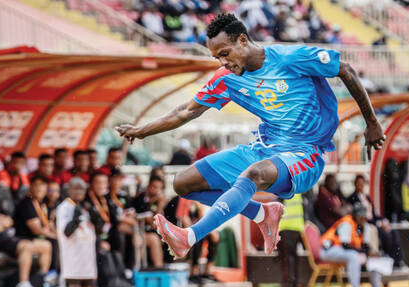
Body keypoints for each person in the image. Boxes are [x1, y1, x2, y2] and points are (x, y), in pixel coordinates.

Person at [115, 13, 385, 260]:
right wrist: (141, 131)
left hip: (305, 153)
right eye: (217, 58)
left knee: (254, 174)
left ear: (243, 41)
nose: (222, 62)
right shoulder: (226, 78)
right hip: (263, 149)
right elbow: (186, 111)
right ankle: (261, 213)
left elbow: (345, 69)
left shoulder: (290, 58)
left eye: (225, 53)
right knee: (183, 183)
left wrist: (372, 123)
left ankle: (189, 237)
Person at [56, 178, 104, 287]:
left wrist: (96, 218)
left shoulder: (85, 206)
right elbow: (66, 232)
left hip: (87, 254)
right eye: (75, 189)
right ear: (68, 189)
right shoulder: (64, 208)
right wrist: (75, 219)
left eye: (82, 189)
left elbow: (99, 229)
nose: (79, 192)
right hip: (73, 254)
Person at [320, 204, 387, 287]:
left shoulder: (365, 226)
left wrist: (370, 253)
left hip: (344, 251)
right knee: (354, 256)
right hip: (329, 250)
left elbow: (365, 246)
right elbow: (345, 245)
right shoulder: (347, 223)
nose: (362, 219)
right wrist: (363, 252)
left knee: (373, 256)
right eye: (360, 216)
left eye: (364, 216)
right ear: (355, 215)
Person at [130, 176, 167, 267]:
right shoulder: (140, 199)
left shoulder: (158, 200)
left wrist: (160, 204)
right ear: (148, 186)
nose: (157, 191)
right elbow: (154, 224)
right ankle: (157, 267)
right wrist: (160, 205)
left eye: (159, 188)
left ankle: (161, 268)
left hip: (150, 232)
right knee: (153, 239)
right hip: (138, 231)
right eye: (154, 187)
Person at [275, 194, 304, 287]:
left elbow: (276, 206)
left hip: (286, 227)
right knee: (293, 258)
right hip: (297, 226)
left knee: (287, 259)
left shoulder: (285, 188)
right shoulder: (299, 190)